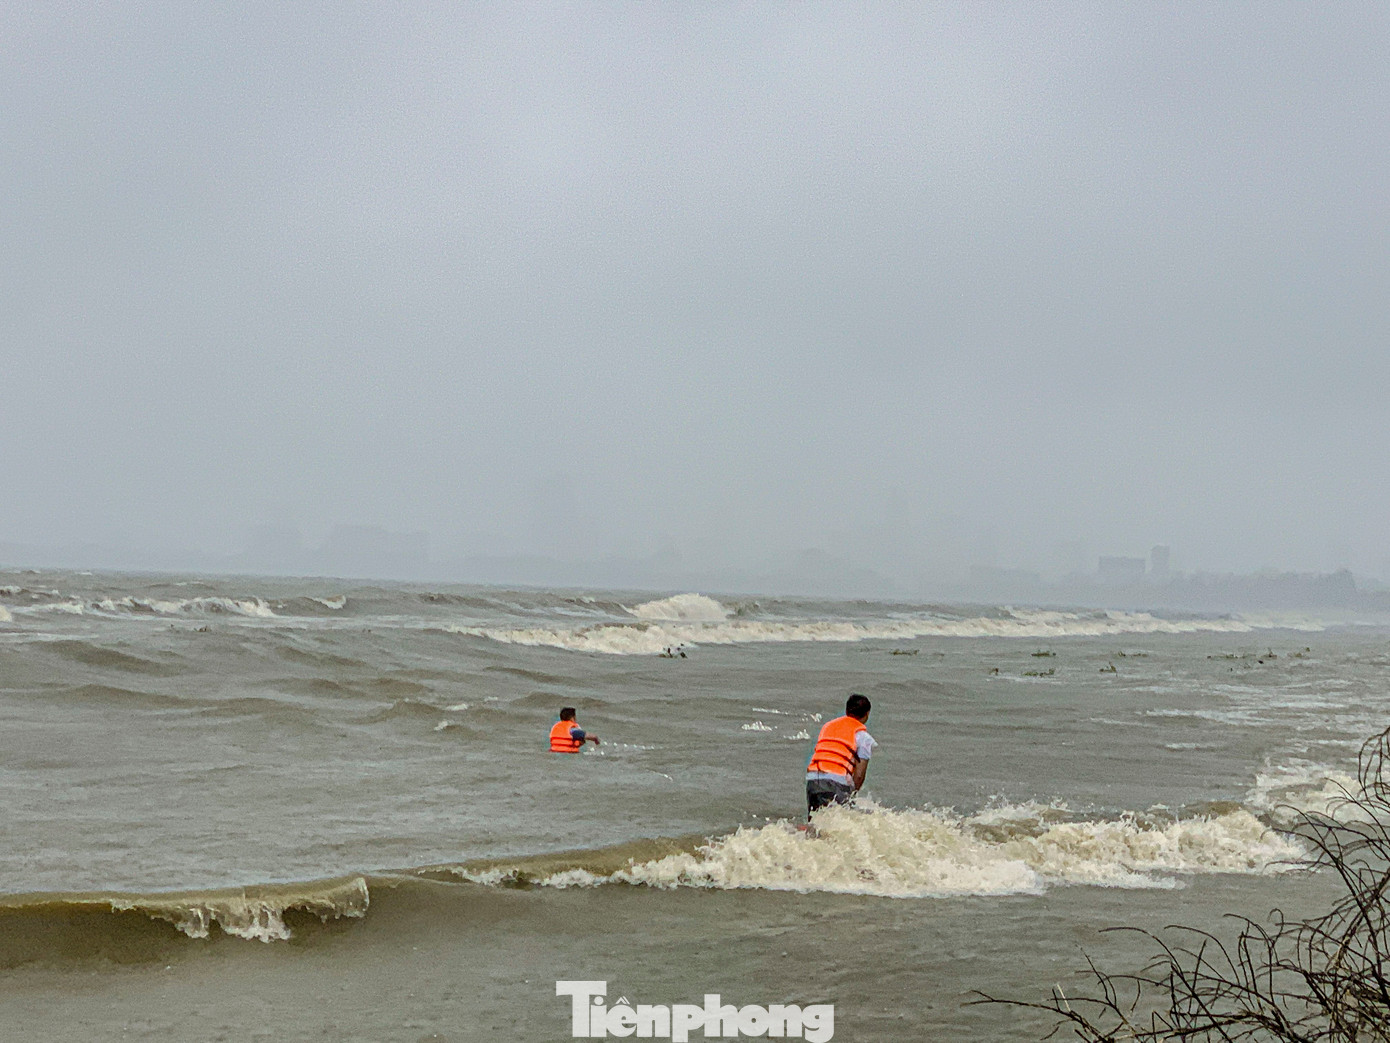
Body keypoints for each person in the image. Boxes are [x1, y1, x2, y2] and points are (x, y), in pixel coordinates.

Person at [805, 693, 876, 816]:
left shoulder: (827, 727)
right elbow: (859, 775)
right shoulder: (863, 737)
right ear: (867, 714)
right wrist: (852, 795)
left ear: (847, 710)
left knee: (816, 823)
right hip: (835, 784)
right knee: (846, 819)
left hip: (813, 780)